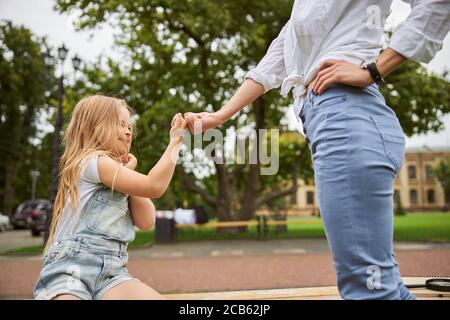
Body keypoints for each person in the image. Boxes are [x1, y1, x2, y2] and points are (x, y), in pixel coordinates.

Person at [184, 1, 450, 299]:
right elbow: (271, 65)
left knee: (370, 290)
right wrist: (220, 115)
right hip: (330, 122)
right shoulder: (302, 10)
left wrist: (374, 69)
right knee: (381, 287)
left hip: (347, 116)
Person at [34, 95, 186, 300]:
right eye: (120, 124)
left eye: (130, 127)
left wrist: (129, 178)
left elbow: (147, 221)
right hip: (69, 270)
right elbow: (153, 186)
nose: (128, 131)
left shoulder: (115, 174)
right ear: (93, 127)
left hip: (112, 273)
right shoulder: (91, 162)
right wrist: (175, 141)